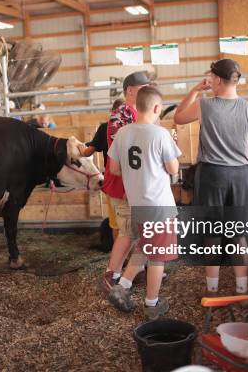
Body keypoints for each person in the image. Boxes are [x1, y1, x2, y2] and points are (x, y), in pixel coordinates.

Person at [173, 59, 248, 296]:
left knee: (211, 234)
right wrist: (240, 169)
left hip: (212, 174)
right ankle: (242, 289)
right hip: (240, 174)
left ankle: (212, 291)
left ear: (219, 80)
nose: (209, 80)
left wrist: (194, 90)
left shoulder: (205, 105)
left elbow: (178, 117)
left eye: (211, 77)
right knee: (238, 234)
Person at [105, 85, 180, 319]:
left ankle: (123, 285)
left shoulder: (123, 133)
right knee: (157, 256)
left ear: (136, 106)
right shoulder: (160, 134)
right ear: (157, 107)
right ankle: (152, 303)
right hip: (159, 205)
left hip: (137, 202)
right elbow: (173, 169)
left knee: (145, 247)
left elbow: (114, 169)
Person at [99, 71, 151, 293]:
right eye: (143, 88)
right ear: (130, 90)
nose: (147, 92)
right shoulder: (120, 117)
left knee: (134, 231)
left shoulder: (135, 113)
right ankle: (113, 274)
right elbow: (124, 155)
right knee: (128, 232)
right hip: (124, 185)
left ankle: (133, 271)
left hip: (134, 185)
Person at [78, 99, 124, 243]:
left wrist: (79, 147)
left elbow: (87, 152)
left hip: (113, 181)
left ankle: (121, 259)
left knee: (116, 223)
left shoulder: (106, 127)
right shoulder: (134, 126)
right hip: (133, 180)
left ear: (112, 111)